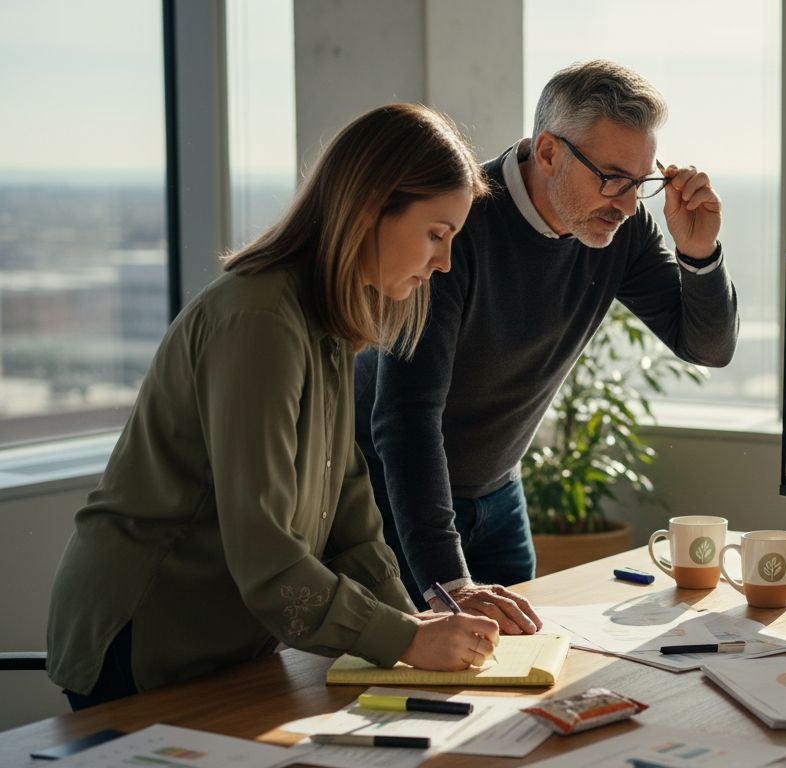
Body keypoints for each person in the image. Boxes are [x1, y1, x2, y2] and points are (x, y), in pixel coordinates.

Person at [46, 103, 500, 710]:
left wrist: (416, 627)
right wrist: (402, 639)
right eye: (436, 235)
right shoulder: (260, 321)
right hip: (145, 640)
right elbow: (265, 551)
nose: (443, 262)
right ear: (370, 208)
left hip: (223, 641)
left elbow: (349, 510)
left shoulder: (328, 321)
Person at [355, 60, 738, 624]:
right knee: (412, 690)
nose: (629, 204)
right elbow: (406, 417)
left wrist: (699, 255)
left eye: (640, 183)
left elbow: (706, 348)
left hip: (500, 494)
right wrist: (452, 583)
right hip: (396, 500)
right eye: (612, 178)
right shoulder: (457, 228)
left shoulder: (620, 228)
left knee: (523, 676)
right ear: (550, 152)